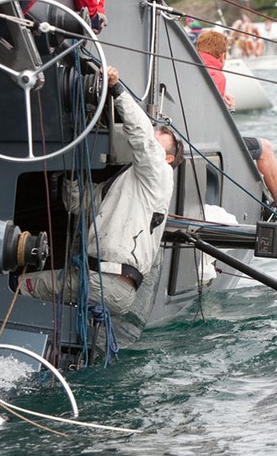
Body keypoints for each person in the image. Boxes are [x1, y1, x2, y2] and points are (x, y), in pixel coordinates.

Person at [15, 65, 182, 314]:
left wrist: (116, 88)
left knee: (20, 288)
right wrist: (73, 171)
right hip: (96, 280)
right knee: (30, 288)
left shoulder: (161, 174)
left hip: (106, 282)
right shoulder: (128, 184)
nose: (150, 149)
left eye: (158, 147)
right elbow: (78, 204)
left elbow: (142, 137)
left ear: (168, 159)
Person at [194, 30, 277, 222]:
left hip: (191, 136)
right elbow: (214, 122)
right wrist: (227, 107)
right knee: (264, 148)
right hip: (207, 141)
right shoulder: (216, 74)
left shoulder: (192, 67)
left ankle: (269, 202)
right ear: (222, 55)